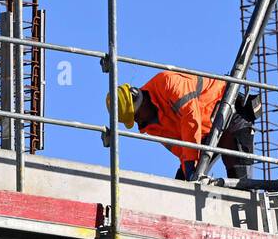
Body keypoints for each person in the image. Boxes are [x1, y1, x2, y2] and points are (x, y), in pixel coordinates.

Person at [109, 72, 258, 180]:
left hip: (228, 112)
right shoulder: (151, 126)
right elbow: (181, 150)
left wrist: (190, 164)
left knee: (239, 181)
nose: (136, 121)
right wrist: (188, 171)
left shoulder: (167, 82)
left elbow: (190, 119)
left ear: (139, 100)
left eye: (135, 116)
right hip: (203, 135)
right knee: (182, 189)